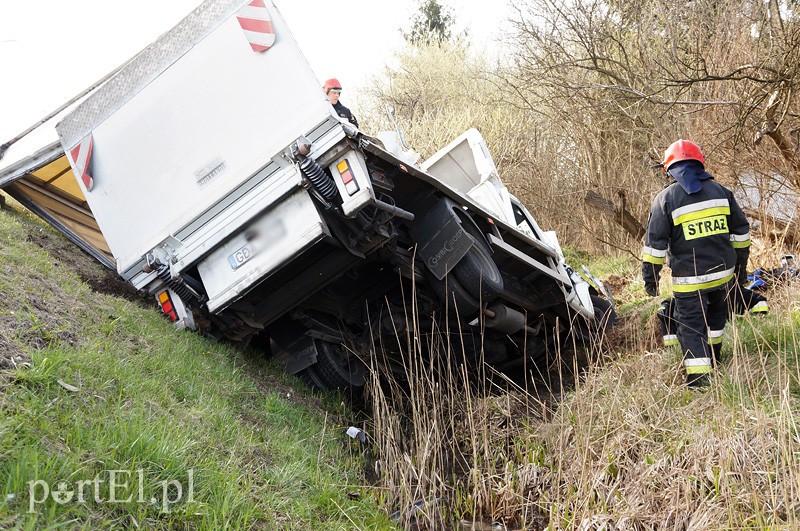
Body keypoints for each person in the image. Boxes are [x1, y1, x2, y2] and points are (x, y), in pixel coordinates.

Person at [642, 139, 751, 388]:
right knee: (715, 321)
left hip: (690, 281)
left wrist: (651, 279)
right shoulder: (722, 192)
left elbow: (654, 248)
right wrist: (740, 270)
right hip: (723, 275)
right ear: (700, 164)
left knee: (691, 327)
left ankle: (700, 382)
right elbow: (741, 235)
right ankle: (715, 361)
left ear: (668, 169)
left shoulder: (665, 199)